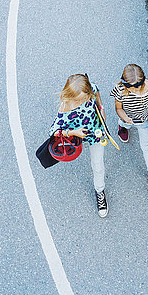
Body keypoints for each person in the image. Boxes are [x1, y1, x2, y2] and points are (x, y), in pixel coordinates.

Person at [50, 74, 108, 217]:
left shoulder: (91, 89)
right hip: (77, 134)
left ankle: (99, 191)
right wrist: (73, 132)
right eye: (78, 99)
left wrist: (101, 108)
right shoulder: (65, 105)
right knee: (96, 163)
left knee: (98, 164)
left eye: (84, 97)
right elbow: (54, 132)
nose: (82, 101)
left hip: (96, 131)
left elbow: (97, 93)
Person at [111, 64, 148, 192]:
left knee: (147, 147)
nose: (138, 89)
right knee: (125, 123)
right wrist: (125, 118)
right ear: (125, 84)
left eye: (140, 86)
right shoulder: (120, 90)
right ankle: (122, 126)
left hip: (145, 121)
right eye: (134, 88)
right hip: (128, 117)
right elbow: (118, 108)